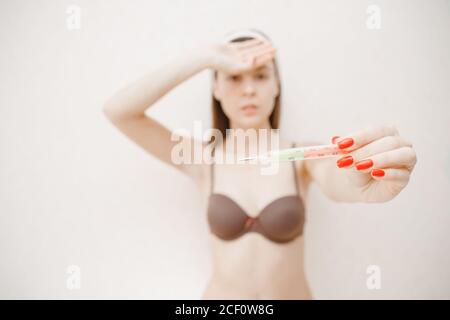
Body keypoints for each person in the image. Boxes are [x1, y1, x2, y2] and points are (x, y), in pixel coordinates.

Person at [102, 28, 417, 299]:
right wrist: (203, 58)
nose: (249, 89)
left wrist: (361, 181)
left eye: (261, 75)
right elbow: (119, 111)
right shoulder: (202, 160)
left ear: (277, 85)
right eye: (234, 77)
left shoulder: (304, 158)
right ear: (216, 89)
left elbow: (340, 181)